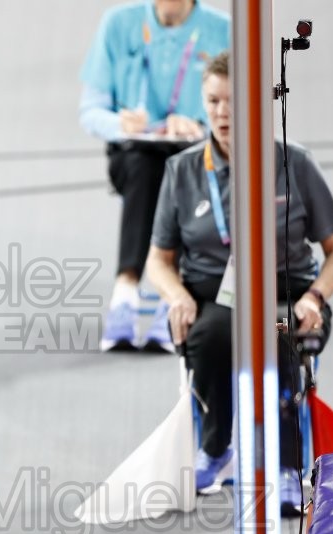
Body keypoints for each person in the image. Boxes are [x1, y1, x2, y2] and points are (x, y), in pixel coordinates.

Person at [145, 51, 333, 512]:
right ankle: (217, 450)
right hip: (214, 295)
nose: (222, 113)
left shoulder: (294, 164)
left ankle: (286, 465)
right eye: (213, 101)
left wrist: (316, 296)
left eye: (232, 101)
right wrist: (176, 294)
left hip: (286, 293)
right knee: (213, 333)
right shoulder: (182, 171)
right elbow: (158, 261)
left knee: (277, 335)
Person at [79, 0, 230, 352]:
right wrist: (120, 123)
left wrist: (202, 126)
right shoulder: (118, 24)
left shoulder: (221, 30)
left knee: (179, 170)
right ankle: (126, 292)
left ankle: (172, 298)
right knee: (145, 167)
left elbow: (243, 109)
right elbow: (89, 110)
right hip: (134, 155)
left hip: (195, 152)